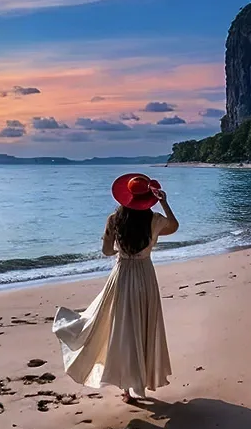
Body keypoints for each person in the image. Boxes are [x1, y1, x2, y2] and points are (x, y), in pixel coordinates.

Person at [52, 173, 179, 403]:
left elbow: (107, 251)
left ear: (125, 197)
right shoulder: (154, 220)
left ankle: (127, 390)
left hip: (121, 276)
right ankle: (141, 379)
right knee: (142, 326)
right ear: (147, 199)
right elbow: (174, 226)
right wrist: (164, 201)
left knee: (122, 330)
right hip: (145, 276)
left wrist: (121, 251)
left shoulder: (114, 220)